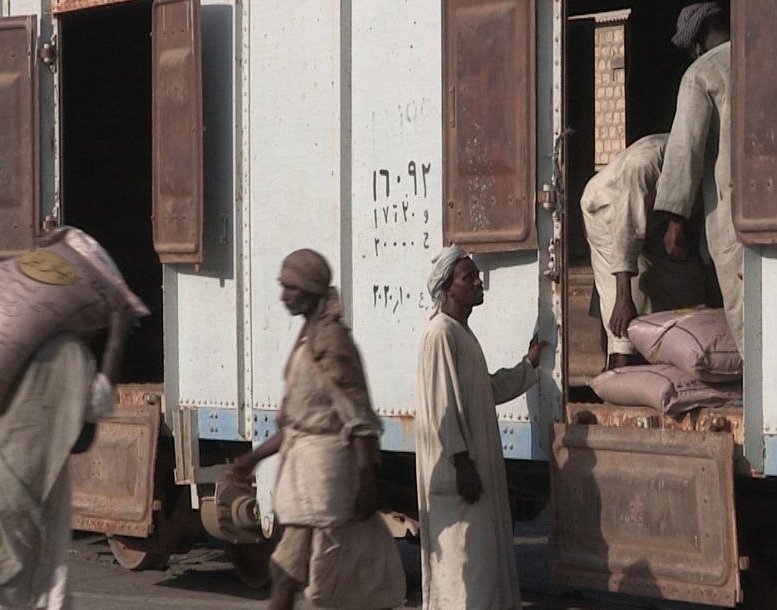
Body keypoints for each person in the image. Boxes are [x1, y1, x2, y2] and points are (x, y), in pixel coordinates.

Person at [228, 249, 403, 610]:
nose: (284, 296)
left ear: (311, 290)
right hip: (307, 475)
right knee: (290, 574)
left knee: (317, 578)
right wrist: (254, 457)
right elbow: (298, 422)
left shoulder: (330, 341)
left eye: (291, 288)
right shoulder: (310, 337)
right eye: (283, 287)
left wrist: (368, 477)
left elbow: (359, 418)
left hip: (327, 480)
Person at [0, 298, 135, 609]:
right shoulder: (67, 353)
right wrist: (118, 339)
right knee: (40, 585)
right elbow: (94, 413)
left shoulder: (7, 346)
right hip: (32, 490)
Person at [415, 245, 545, 610]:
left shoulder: (460, 333)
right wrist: (462, 464)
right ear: (448, 288)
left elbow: (482, 391)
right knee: (463, 577)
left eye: (476, 275)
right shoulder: (440, 334)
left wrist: (528, 367)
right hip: (458, 477)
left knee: (481, 573)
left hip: (469, 471)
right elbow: (443, 406)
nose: (477, 282)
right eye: (467, 277)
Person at [654, 1, 745, 355]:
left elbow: (684, 150)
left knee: (744, 316)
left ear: (699, 39)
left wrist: (675, 221)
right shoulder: (768, 50)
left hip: (733, 216)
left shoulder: (702, 72)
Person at [580, 133, 708, 367]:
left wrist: (676, 225)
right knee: (625, 323)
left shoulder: (702, 159)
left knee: (683, 294)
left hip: (652, 220)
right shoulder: (642, 166)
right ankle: (620, 372)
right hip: (607, 212)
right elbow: (626, 230)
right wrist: (623, 297)